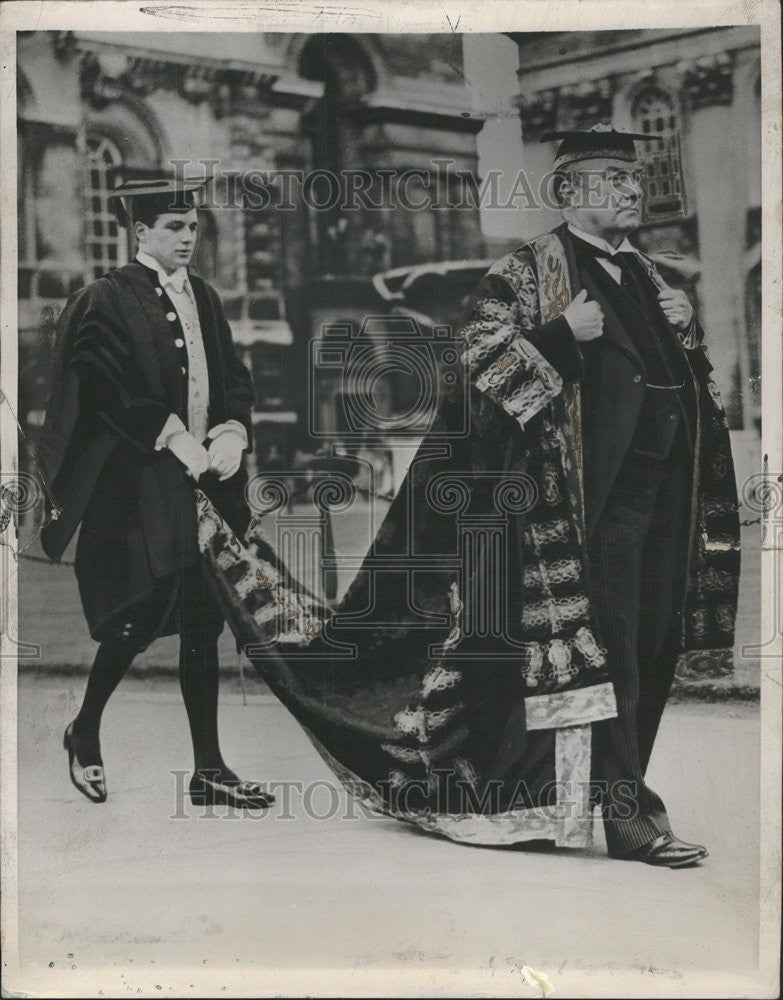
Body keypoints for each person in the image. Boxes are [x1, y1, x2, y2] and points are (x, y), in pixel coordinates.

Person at [187, 125, 740, 864]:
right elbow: (471, 379)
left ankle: (614, 797)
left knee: (649, 645)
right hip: (580, 512)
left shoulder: (649, 277)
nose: (631, 190)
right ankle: (628, 815)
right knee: (612, 662)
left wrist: (688, 331)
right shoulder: (525, 273)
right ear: (568, 192)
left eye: (632, 180)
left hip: (660, 500)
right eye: (611, 180)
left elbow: (682, 388)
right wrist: (557, 334)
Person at [39, 177, 274, 811]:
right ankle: (84, 729)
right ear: (140, 232)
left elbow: (233, 378)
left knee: (205, 621)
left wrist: (231, 431)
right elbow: (103, 385)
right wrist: (172, 437)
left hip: (206, 487)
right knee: (140, 614)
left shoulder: (206, 296)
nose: (187, 238)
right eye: (173, 227)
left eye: (192, 227)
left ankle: (209, 770)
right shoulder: (105, 299)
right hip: (140, 488)